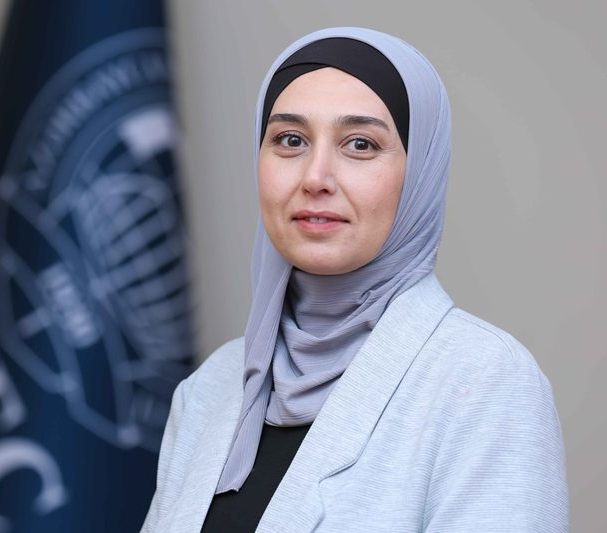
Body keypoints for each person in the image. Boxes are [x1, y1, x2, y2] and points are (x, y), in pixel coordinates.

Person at [141, 27, 569, 532]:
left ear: (420, 172)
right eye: (290, 140)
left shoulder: (485, 382)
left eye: (360, 144)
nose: (315, 177)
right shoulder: (210, 387)